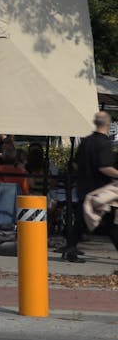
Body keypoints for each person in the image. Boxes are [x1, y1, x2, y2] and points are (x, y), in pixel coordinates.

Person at [64, 111, 118, 262]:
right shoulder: (104, 143)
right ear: (108, 124)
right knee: (110, 225)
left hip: (84, 187)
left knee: (81, 222)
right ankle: (70, 250)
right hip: (100, 190)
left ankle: (70, 249)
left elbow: (75, 163)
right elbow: (104, 167)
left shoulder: (86, 141)